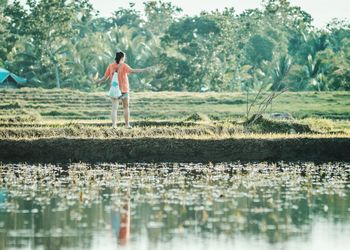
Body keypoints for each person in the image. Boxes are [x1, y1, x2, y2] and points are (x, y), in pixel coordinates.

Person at [96, 51, 151, 128]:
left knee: (114, 108)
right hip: (124, 90)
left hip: (114, 90)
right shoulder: (124, 66)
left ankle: (114, 125)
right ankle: (127, 125)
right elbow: (133, 71)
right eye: (124, 58)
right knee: (126, 107)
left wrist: (99, 81)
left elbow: (105, 78)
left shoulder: (111, 66)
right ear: (122, 58)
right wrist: (144, 69)